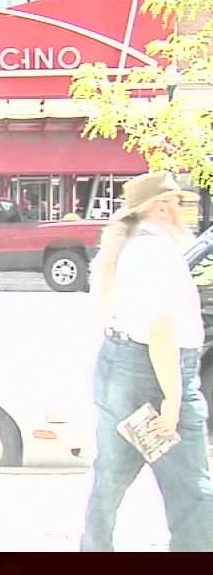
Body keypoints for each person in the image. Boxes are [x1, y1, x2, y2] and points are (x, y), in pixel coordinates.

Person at [82, 171, 213, 552]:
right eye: (179, 203)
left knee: (110, 477)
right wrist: (172, 400)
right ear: (161, 206)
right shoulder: (156, 252)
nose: (184, 212)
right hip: (157, 372)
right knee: (191, 489)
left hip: (117, 363)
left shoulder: (125, 245)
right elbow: (160, 330)